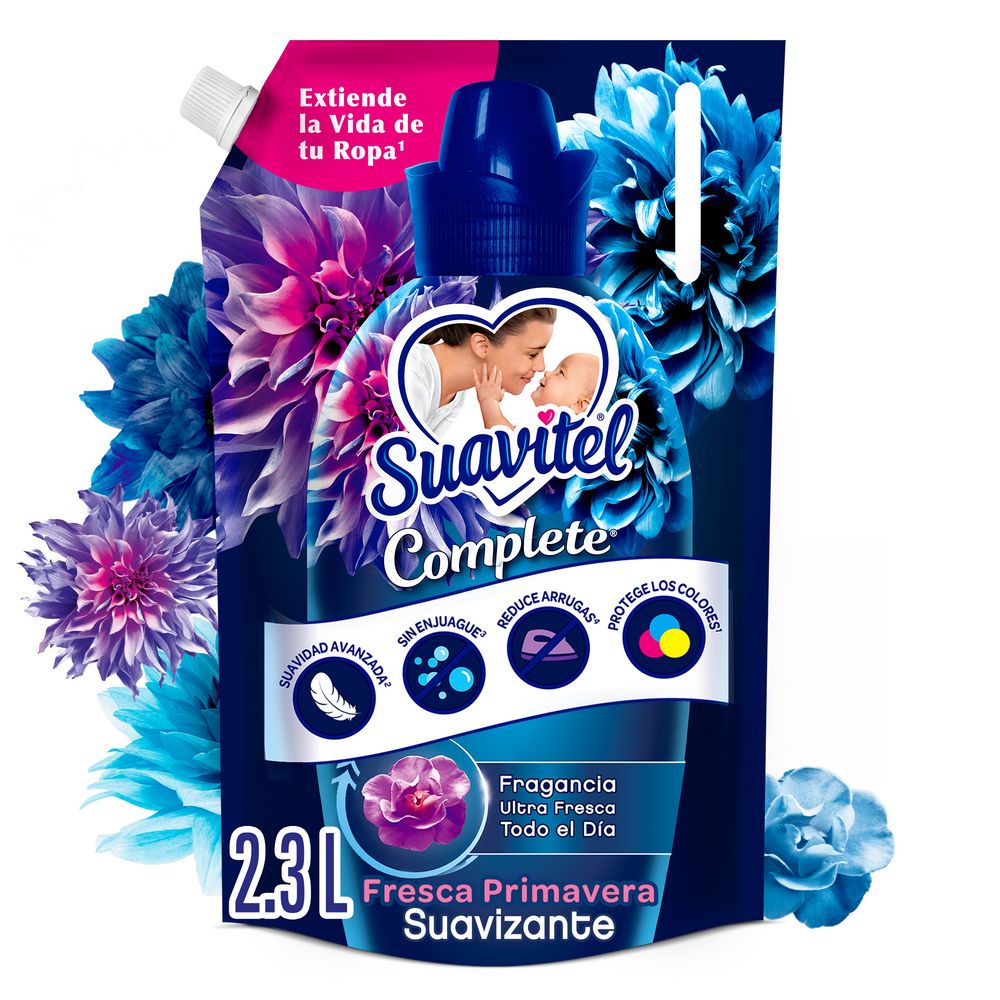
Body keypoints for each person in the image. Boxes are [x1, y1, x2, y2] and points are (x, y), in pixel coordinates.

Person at [405, 307, 555, 437]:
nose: (541, 367)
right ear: (482, 346)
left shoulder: (456, 395)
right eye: (532, 354)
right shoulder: (411, 375)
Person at [474, 352, 600, 430]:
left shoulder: (559, 435)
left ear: (579, 404)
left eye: (560, 372)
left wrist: (488, 401)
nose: (547, 372)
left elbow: (507, 444)